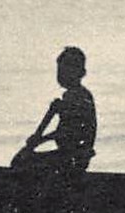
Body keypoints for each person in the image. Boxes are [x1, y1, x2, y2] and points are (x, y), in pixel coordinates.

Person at [12, 46, 97, 174]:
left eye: (65, 71)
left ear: (81, 73)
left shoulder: (78, 97)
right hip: (68, 155)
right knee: (22, 160)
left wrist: (40, 140)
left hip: (72, 158)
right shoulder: (71, 96)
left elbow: (69, 132)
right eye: (60, 71)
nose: (61, 75)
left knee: (21, 161)